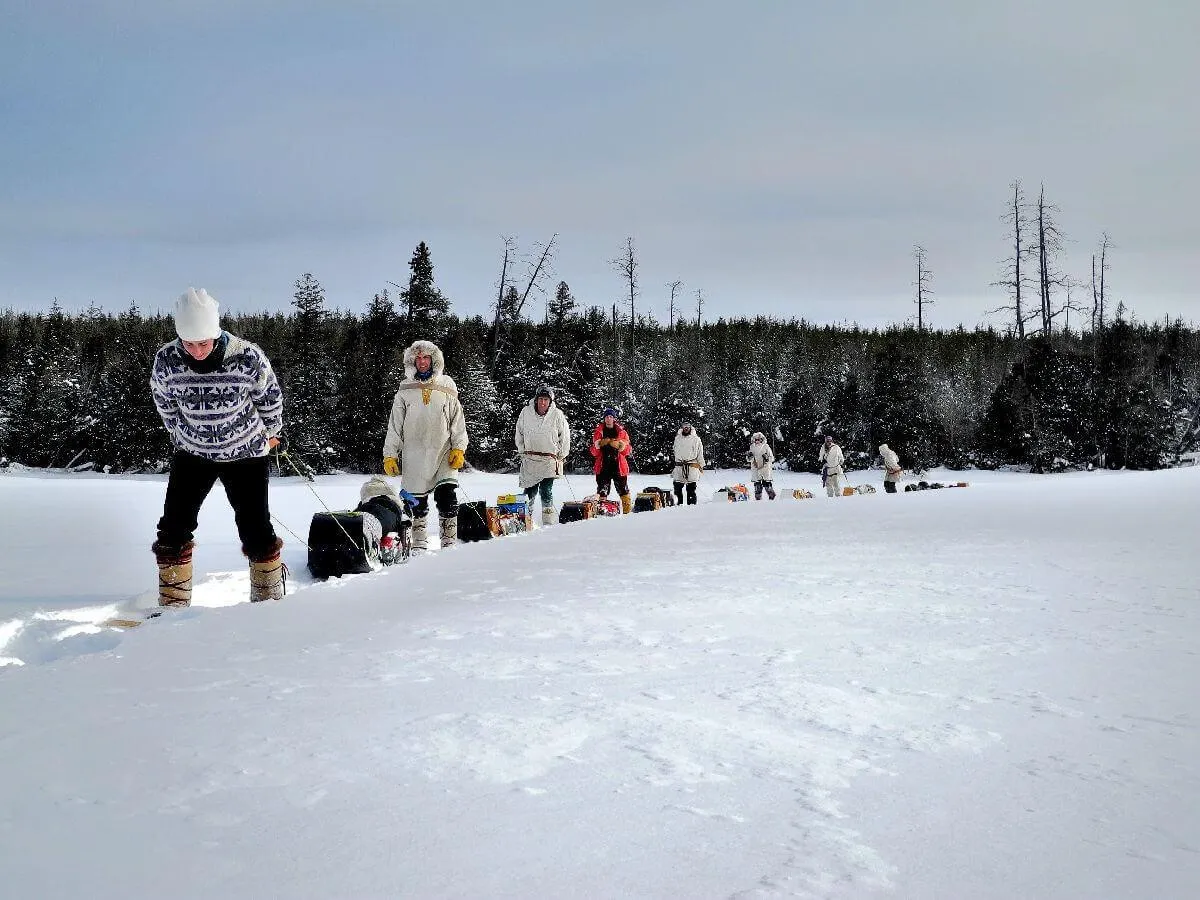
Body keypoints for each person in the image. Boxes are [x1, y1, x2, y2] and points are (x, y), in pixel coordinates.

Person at [149, 287, 285, 606]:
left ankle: (269, 599)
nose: (197, 351)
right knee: (173, 528)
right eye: (190, 343)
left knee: (255, 528)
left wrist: (273, 432)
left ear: (216, 332)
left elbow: (270, 398)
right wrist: (179, 433)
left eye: (204, 343)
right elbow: (165, 403)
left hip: (246, 454)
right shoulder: (166, 360)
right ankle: (173, 603)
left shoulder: (246, 356)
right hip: (193, 453)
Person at [383, 340, 468, 551]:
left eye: (426, 358)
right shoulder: (405, 389)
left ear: (433, 360)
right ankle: (419, 543)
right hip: (414, 453)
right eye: (418, 358)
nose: (422, 362)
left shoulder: (447, 386)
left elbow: (457, 420)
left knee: (447, 495)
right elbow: (395, 426)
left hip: (443, 451)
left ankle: (449, 541)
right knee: (416, 503)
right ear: (412, 361)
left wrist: (459, 447)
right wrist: (390, 455)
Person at [514, 384, 571, 527]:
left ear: (550, 401)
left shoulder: (557, 414)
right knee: (529, 491)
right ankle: (525, 521)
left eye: (546, 399)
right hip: (530, 459)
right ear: (536, 399)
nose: (543, 402)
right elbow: (519, 432)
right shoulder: (525, 412)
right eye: (541, 399)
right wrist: (522, 449)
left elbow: (565, 436)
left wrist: (561, 454)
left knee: (546, 490)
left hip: (549, 459)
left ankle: (548, 522)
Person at [590, 406, 634, 514]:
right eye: (606, 417)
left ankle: (628, 513)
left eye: (611, 417)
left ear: (614, 419)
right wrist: (598, 445)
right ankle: (602, 512)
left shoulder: (622, 432)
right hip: (603, 465)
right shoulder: (598, 432)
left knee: (623, 490)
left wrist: (621, 446)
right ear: (604, 419)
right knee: (602, 491)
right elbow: (593, 452)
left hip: (618, 466)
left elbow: (628, 451)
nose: (608, 419)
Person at [671, 423, 705, 506]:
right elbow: (675, 451)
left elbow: (700, 452)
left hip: (692, 466)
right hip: (679, 466)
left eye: (687, 427)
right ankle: (679, 505)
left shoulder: (696, 439)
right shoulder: (677, 438)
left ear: (690, 428)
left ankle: (691, 507)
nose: (686, 429)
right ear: (682, 428)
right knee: (677, 488)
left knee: (691, 489)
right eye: (684, 427)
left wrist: (701, 465)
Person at [747, 432, 777, 500]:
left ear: (762, 439)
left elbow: (772, 458)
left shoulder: (766, 446)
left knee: (767, 485)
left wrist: (767, 458)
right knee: (757, 486)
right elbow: (749, 459)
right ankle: (758, 500)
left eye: (759, 439)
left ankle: (772, 498)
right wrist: (749, 457)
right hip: (756, 468)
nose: (757, 441)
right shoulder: (752, 447)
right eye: (756, 439)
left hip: (765, 469)